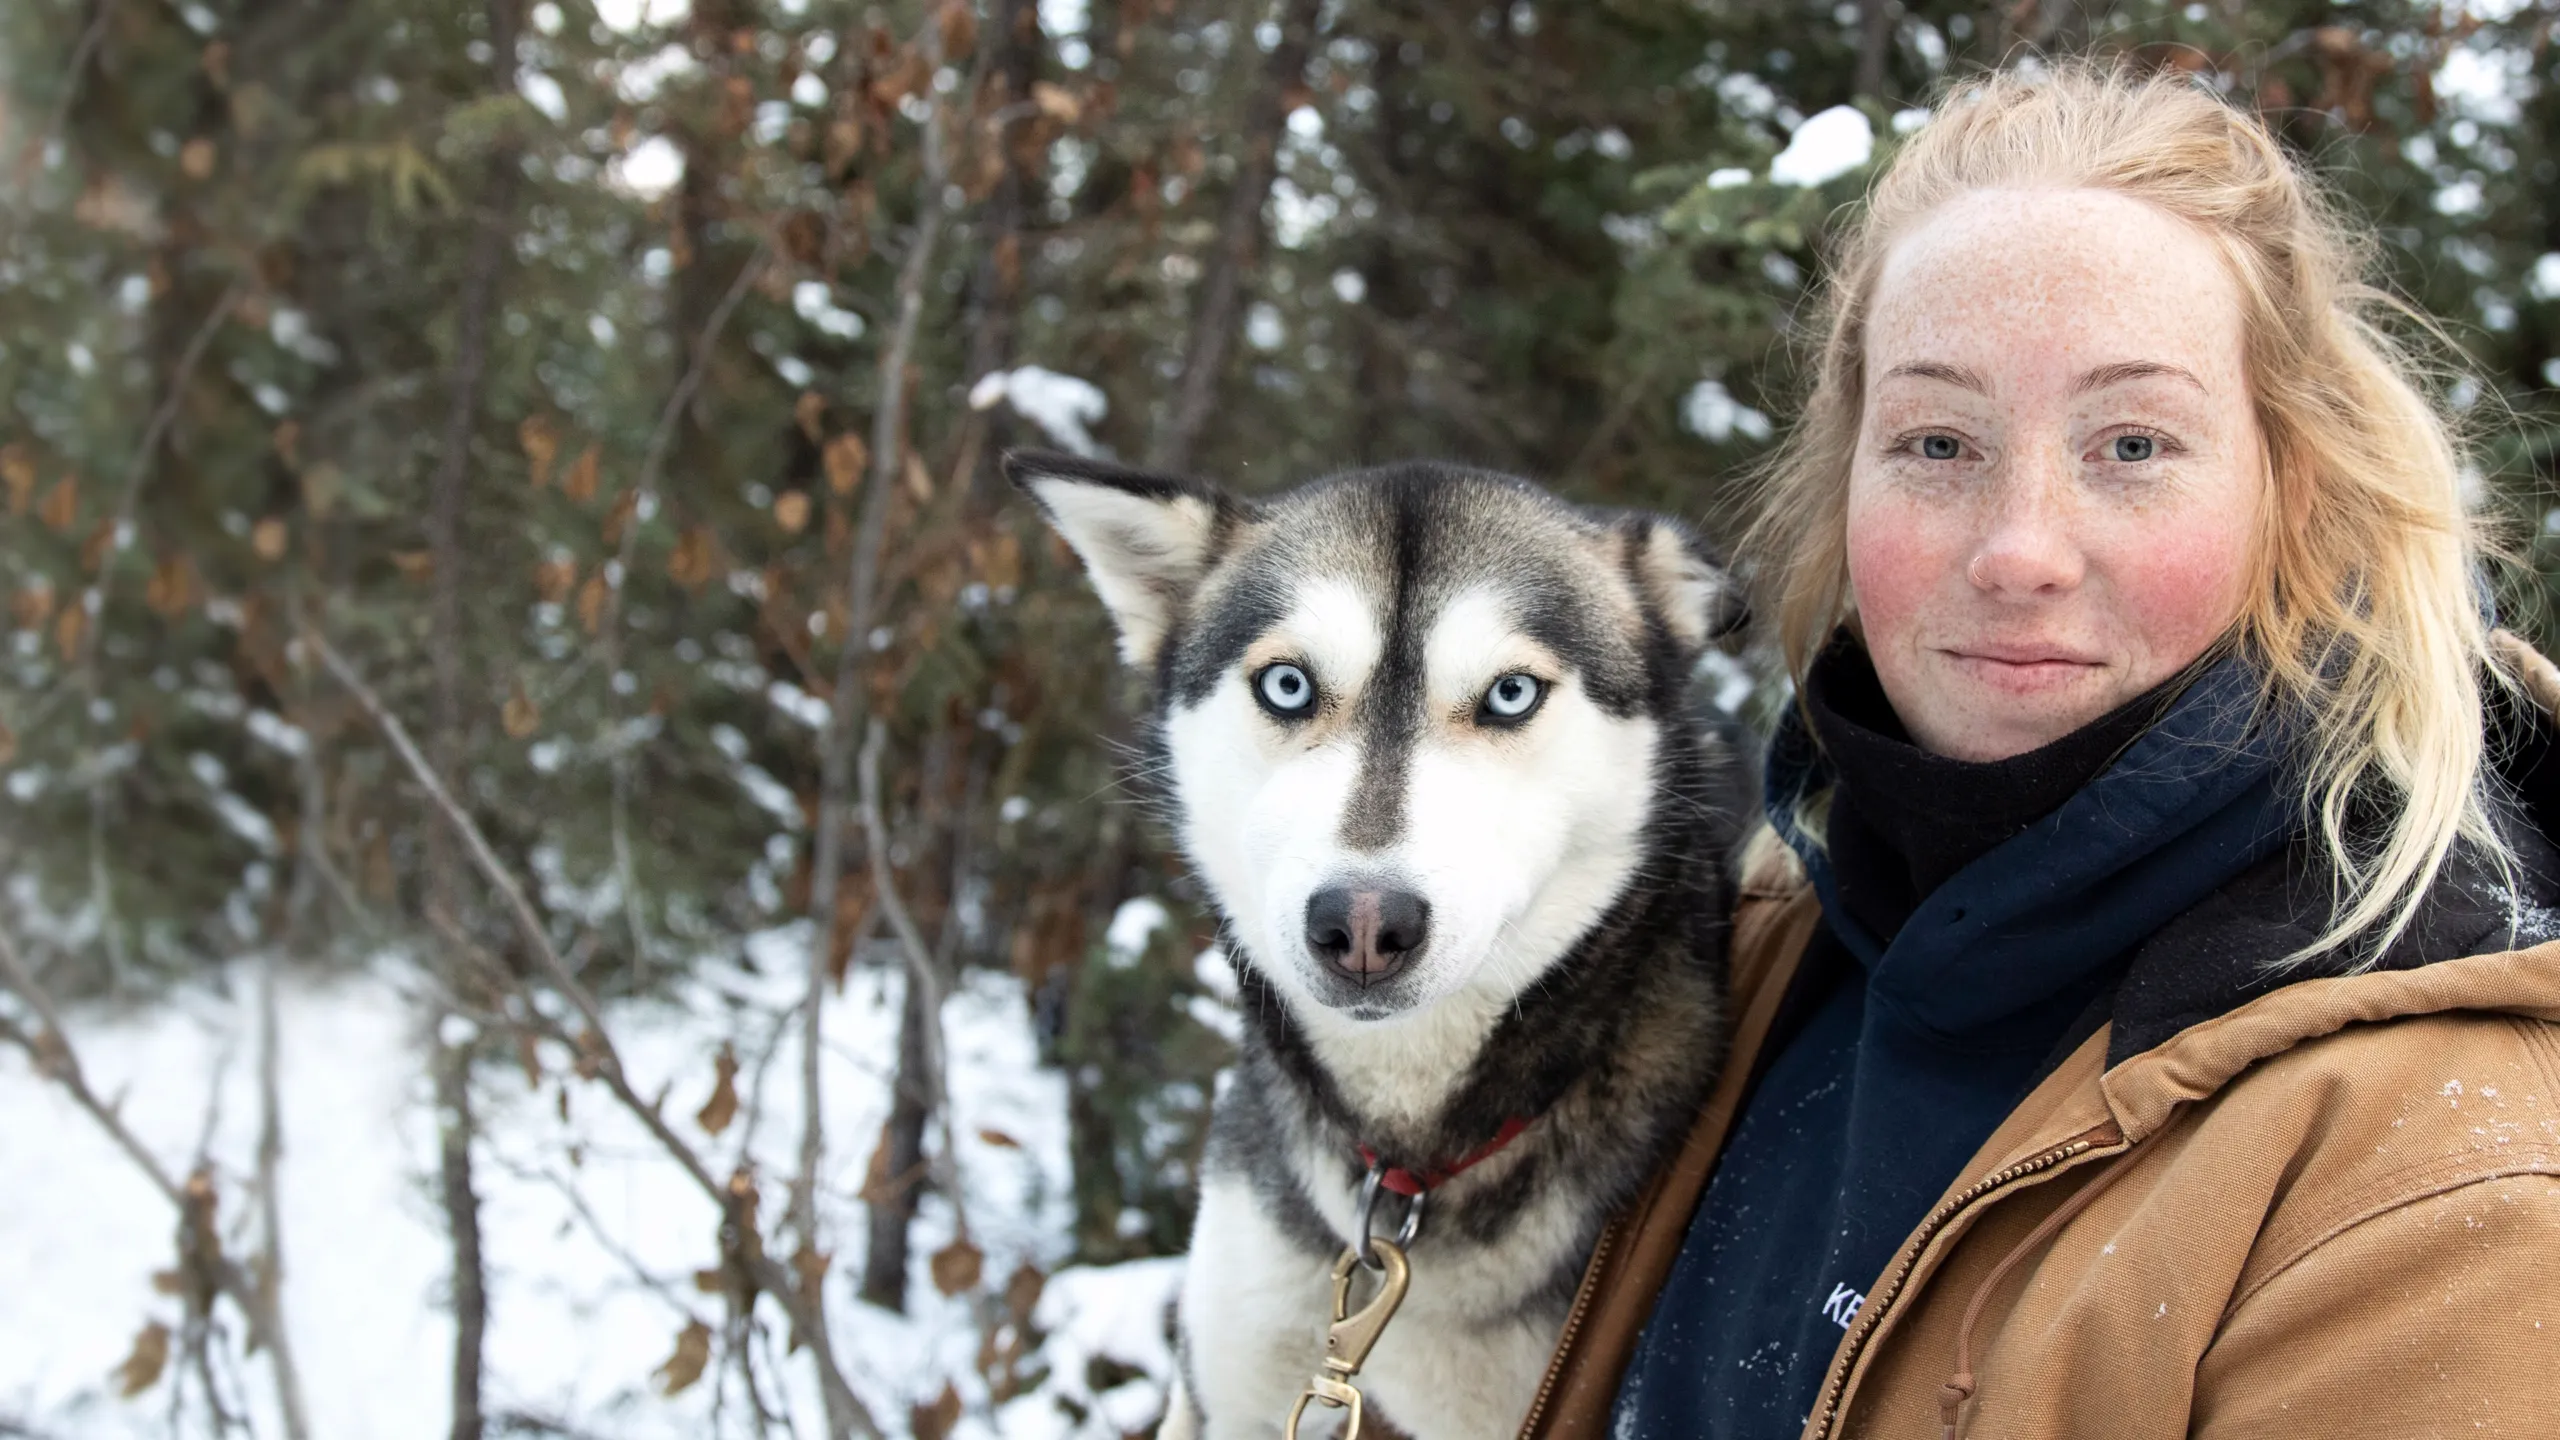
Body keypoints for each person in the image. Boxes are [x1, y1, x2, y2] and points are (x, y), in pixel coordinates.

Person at [1519, 63, 2560, 1439]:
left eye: (2133, 443)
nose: (2018, 550)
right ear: (1846, 481)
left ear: (2293, 492)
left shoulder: (2439, 1168)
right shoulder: (1754, 948)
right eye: (1938, 441)